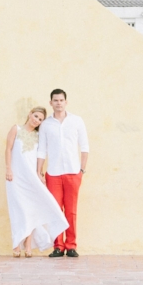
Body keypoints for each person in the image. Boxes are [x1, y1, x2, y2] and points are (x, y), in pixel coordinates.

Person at [5, 106, 69, 258]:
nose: (37, 120)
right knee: (17, 209)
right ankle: (16, 243)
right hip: (15, 177)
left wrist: (40, 173)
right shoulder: (16, 129)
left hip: (31, 178)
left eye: (40, 119)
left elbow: (40, 155)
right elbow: (8, 149)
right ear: (29, 114)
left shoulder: (38, 135)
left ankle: (28, 244)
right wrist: (8, 169)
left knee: (31, 209)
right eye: (35, 116)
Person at [37, 89, 89, 257]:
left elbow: (85, 147)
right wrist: (39, 171)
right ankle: (58, 246)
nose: (58, 103)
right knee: (55, 210)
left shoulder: (77, 121)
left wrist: (82, 170)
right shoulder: (46, 124)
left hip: (73, 172)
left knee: (71, 210)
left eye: (61, 100)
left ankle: (71, 245)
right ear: (50, 103)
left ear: (66, 102)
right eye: (55, 100)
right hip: (53, 173)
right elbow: (42, 149)